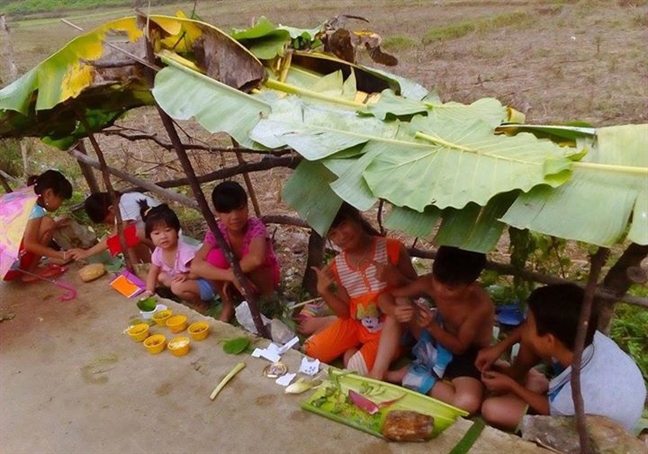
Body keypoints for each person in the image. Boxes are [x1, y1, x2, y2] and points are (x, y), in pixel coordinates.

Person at [479, 284, 646, 432]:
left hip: (593, 432)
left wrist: (512, 386)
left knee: (492, 409)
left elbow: (549, 409)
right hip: (613, 390)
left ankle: (530, 386)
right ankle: (530, 382)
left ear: (549, 340)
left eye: (529, 323)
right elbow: (531, 334)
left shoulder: (582, 393)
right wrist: (499, 348)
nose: (525, 327)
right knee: (531, 340)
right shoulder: (579, 332)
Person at [303, 203, 417, 376]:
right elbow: (346, 312)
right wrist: (325, 292)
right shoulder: (338, 266)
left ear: (357, 218)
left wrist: (396, 278)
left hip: (389, 329)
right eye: (333, 233)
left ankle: (366, 356)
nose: (341, 236)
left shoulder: (392, 249)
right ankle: (336, 329)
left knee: (357, 369)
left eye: (343, 225)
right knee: (313, 351)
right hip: (358, 324)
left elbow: (417, 290)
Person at [382, 246, 494, 414]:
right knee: (401, 301)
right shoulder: (431, 282)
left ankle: (415, 376)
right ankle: (398, 372)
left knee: (467, 403)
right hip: (434, 337)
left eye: (449, 288)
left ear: (470, 286)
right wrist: (392, 310)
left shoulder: (480, 306)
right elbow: (388, 295)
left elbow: (460, 347)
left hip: (467, 353)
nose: (440, 290)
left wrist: (431, 327)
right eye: (437, 281)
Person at [191, 181, 280, 322]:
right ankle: (228, 305)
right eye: (227, 212)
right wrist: (230, 276)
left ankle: (267, 302)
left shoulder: (255, 226)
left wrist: (234, 274)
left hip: (262, 280)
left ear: (247, 208)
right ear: (217, 213)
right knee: (213, 257)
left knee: (259, 261)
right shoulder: (217, 230)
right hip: (236, 280)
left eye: (239, 209)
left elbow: (257, 258)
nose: (235, 217)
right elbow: (196, 265)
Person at [4, 170, 81, 282]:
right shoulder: (36, 210)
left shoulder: (24, 200)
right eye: (61, 199)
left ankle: (29, 269)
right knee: (48, 223)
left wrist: (56, 223)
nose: (60, 204)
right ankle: (30, 271)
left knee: (49, 223)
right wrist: (60, 255)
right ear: (48, 193)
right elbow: (29, 244)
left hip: (5, 266)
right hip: (10, 268)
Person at [138, 202, 213, 313]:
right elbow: (153, 272)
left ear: (177, 231)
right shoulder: (158, 252)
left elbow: (201, 271)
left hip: (205, 285)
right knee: (161, 276)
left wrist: (187, 276)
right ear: (150, 237)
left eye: (168, 230)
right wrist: (149, 291)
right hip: (186, 282)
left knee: (177, 287)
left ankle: (201, 303)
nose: (163, 236)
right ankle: (183, 294)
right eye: (157, 233)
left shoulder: (185, 252)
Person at [74, 191, 160, 264]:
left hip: (163, 236)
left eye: (108, 221)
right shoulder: (125, 200)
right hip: (155, 236)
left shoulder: (125, 205)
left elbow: (116, 235)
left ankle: (142, 270)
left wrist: (87, 253)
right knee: (129, 237)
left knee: (126, 237)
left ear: (111, 209)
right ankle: (147, 267)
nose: (109, 224)